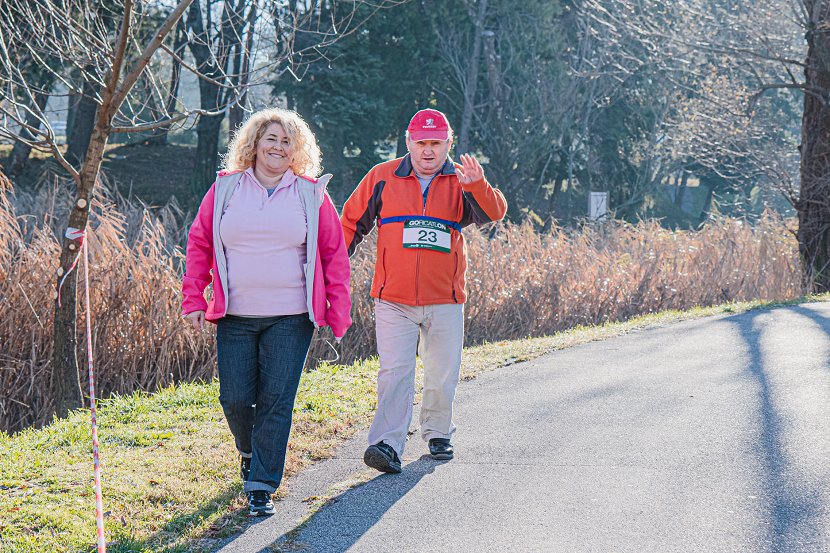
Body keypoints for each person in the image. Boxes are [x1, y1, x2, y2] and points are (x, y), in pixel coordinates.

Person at [182, 108, 352, 516]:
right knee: (235, 399)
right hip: (235, 315)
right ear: (255, 143)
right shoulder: (226, 188)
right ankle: (248, 450)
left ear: (297, 150)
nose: (278, 147)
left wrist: (339, 309)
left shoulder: (311, 194)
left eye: (287, 141)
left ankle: (261, 484)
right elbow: (200, 242)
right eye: (271, 138)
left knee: (276, 400)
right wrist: (194, 297)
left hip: (291, 317)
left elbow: (334, 254)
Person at [340, 108, 507, 473]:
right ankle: (387, 444)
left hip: (445, 298)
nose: (428, 151)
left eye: (436, 143)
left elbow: (495, 212)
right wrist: (331, 265)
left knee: (442, 371)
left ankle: (438, 432)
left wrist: (477, 185)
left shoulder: (462, 180)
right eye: (420, 143)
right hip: (393, 299)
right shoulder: (382, 176)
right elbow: (350, 223)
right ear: (408, 142)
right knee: (395, 372)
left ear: (448, 143)